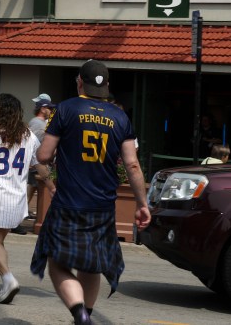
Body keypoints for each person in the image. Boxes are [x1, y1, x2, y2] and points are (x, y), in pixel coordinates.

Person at [30, 60, 150, 325]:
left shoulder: (66, 109)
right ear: (106, 85)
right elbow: (131, 164)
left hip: (68, 203)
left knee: (58, 263)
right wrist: (142, 203)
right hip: (103, 206)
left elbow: (45, 155)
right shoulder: (120, 116)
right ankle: (86, 316)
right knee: (91, 265)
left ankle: (80, 314)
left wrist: (49, 157)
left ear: (79, 82)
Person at [0, 94, 53, 304]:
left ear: (1, 111)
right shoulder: (29, 136)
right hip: (15, 199)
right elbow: (39, 165)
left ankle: (8, 279)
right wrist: (52, 186)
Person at [25, 94, 54, 216]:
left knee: (33, 187)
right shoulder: (38, 123)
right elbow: (35, 144)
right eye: (49, 108)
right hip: (37, 162)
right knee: (41, 186)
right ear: (43, 109)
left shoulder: (39, 122)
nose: (51, 111)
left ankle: (25, 211)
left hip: (37, 162)